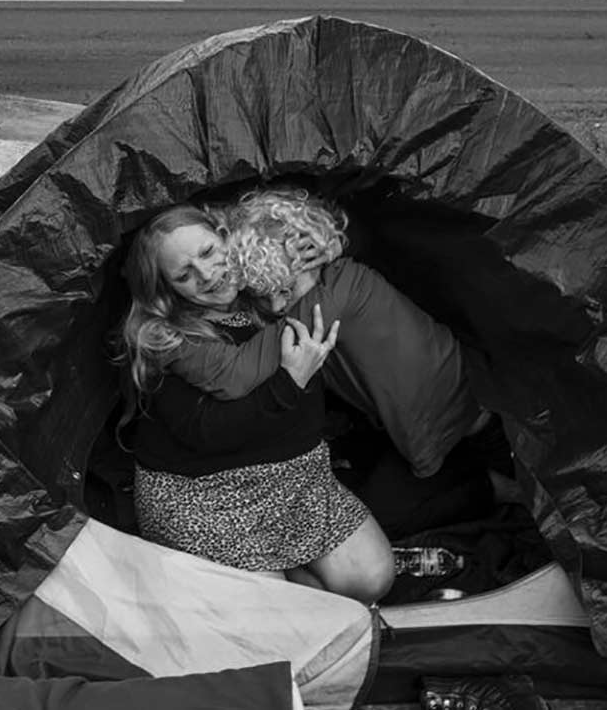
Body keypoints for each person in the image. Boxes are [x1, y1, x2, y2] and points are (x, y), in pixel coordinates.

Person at [118, 205, 396, 605]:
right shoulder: (165, 337)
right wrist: (290, 382)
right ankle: (280, 579)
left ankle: (288, 571)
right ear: (167, 288)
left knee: (372, 579)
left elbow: (365, 245)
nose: (208, 274)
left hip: (296, 480)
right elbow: (208, 432)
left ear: (225, 234)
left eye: (209, 251)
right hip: (204, 495)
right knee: (272, 611)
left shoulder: (260, 278)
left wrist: (323, 249)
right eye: (184, 275)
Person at [167, 187, 489, 481]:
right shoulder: (317, 281)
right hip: (432, 402)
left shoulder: (335, 291)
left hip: (458, 412)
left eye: (285, 289)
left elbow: (236, 373)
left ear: (312, 257)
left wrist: (163, 342)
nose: (278, 307)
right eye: (263, 294)